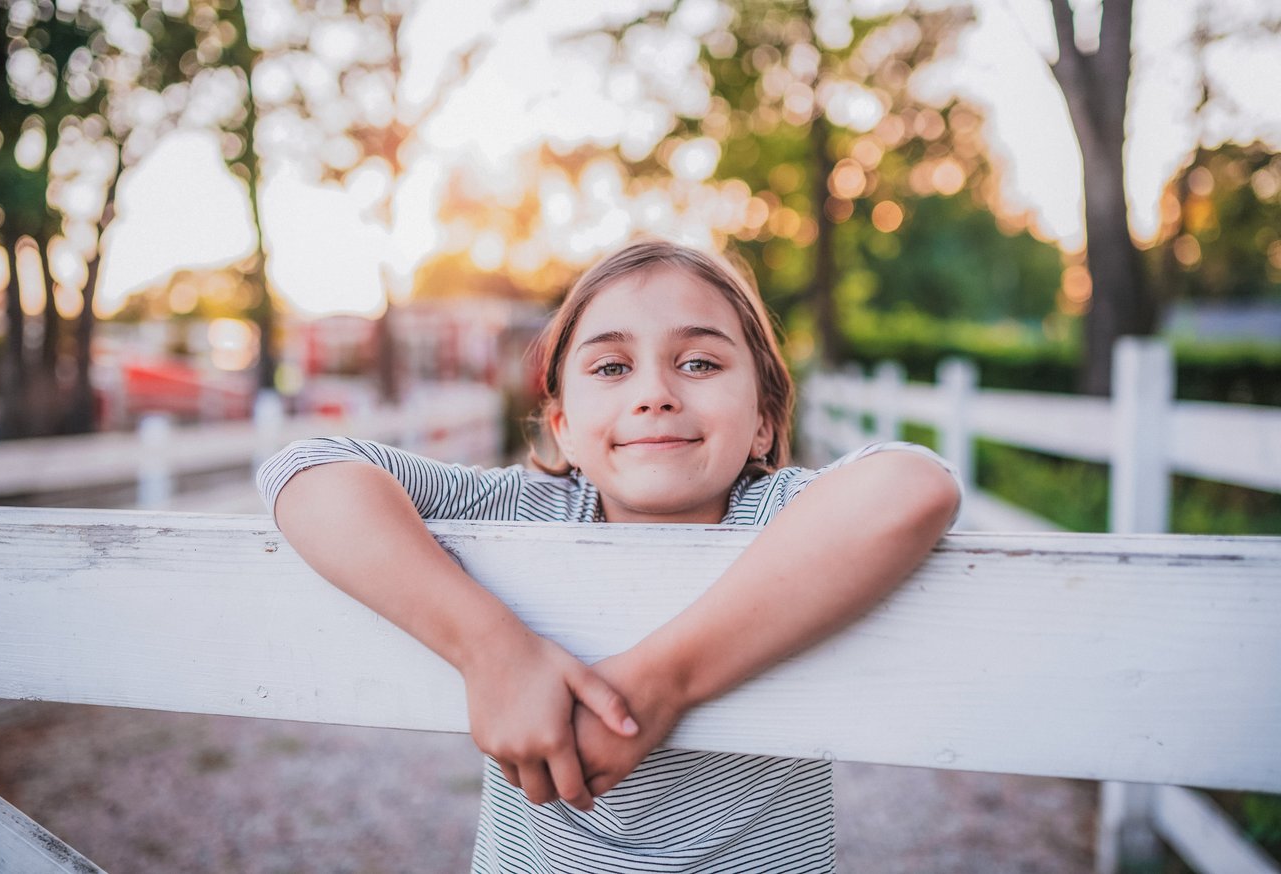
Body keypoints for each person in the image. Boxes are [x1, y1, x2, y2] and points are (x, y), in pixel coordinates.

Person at [257, 238, 962, 873]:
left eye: (700, 362)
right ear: (561, 428)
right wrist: (492, 650)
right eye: (612, 366)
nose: (655, 393)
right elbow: (308, 468)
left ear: (763, 423)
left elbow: (914, 485)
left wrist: (659, 685)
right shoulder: (524, 509)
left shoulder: (780, 518)